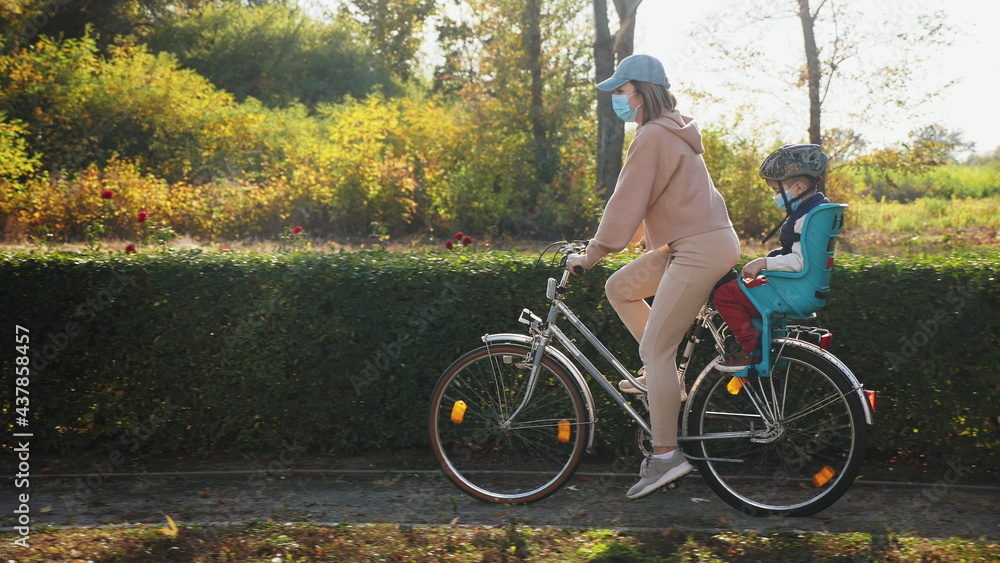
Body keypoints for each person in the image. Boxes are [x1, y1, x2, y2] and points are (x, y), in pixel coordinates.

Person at [566, 54, 740, 499]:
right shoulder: (673, 130)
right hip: (693, 241)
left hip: (696, 247)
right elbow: (645, 206)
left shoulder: (651, 137)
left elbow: (625, 202)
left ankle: (666, 456)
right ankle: (662, 379)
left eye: (621, 93)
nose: (617, 101)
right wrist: (604, 248)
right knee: (620, 287)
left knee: (656, 348)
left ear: (640, 93)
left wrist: (593, 253)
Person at [713, 144, 830, 371]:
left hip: (793, 290)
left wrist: (764, 262)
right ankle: (754, 338)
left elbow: (799, 262)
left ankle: (749, 348)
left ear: (797, 188)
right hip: (802, 287)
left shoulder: (805, 218)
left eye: (777, 191)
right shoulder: (816, 212)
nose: (775, 197)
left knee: (725, 294)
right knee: (742, 287)